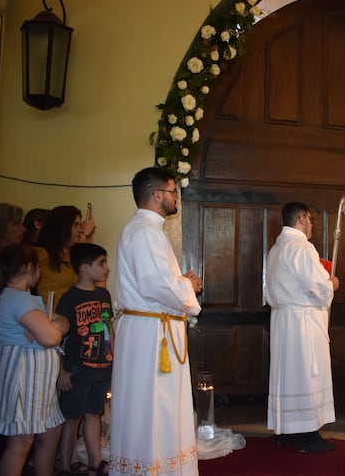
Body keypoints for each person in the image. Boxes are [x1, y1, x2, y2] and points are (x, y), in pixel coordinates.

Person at [110, 167, 202, 475]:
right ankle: (151, 467)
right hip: (151, 335)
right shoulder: (145, 232)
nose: (176, 197)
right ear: (157, 194)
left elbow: (158, 280)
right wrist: (188, 287)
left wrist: (180, 281)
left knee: (158, 405)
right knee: (152, 405)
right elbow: (156, 285)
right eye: (174, 192)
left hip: (151, 329)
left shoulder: (147, 230)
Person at [264, 201, 340, 453]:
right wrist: (331, 284)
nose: (311, 226)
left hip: (283, 320)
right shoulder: (302, 247)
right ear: (302, 219)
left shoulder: (277, 248)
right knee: (307, 374)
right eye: (310, 220)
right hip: (302, 322)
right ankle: (308, 435)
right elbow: (315, 285)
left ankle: (287, 429)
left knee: (287, 375)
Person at [0, 244, 69, 476]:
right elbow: (50, 336)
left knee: (50, 431)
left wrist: (52, 326)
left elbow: (63, 322)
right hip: (25, 376)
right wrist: (52, 329)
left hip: (39, 381)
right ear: (30, 268)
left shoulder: (27, 298)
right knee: (21, 441)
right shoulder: (17, 299)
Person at [56, 243, 114, 476]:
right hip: (77, 368)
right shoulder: (70, 298)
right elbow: (59, 338)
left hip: (102, 366)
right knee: (71, 418)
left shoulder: (104, 294)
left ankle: (95, 460)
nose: (106, 268)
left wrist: (113, 356)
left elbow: (108, 327)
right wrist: (62, 371)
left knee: (94, 413)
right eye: (101, 263)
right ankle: (65, 463)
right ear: (84, 268)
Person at [33, 205, 95, 307]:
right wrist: (84, 235)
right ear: (62, 226)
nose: (80, 230)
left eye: (81, 225)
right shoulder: (41, 254)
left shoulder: (71, 252)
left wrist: (86, 239)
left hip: (73, 315)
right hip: (50, 317)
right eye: (76, 225)